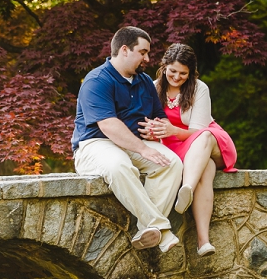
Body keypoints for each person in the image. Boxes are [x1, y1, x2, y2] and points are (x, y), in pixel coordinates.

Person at [72, 27, 184, 254]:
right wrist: (143, 149)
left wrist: (155, 131)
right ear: (124, 50)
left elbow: (159, 117)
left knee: (172, 163)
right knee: (119, 165)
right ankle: (161, 228)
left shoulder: (144, 82)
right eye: (143, 52)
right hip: (96, 144)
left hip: (134, 143)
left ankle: (147, 229)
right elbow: (108, 126)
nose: (147, 59)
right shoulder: (97, 80)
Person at [139, 43, 238, 257]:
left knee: (204, 137)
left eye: (183, 73)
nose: (177, 77)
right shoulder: (152, 87)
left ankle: (187, 188)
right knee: (206, 170)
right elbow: (149, 123)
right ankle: (204, 242)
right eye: (173, 71)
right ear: (164, 66)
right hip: (177, 149)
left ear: (191, 73)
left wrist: (171, 129)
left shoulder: (199, 88)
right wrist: (151, 132)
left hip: (209, 142)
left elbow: (197, 130)